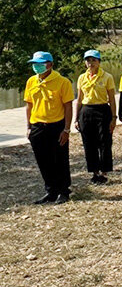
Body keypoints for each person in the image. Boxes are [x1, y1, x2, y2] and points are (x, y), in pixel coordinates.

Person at [24, 52, 75, 204]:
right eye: (35, 63)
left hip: (56, 126)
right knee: (43, 160)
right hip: (37, 126)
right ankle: (51, 191)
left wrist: (66, 129)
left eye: (40, 63)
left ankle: (63, 191)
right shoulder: (31, 81)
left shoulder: (62, 82)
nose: (37, 66)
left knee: (60, 159)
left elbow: (68, 106)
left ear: (50, 64)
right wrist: (28, 127)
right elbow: (29, 105)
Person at [75, 49, 116, 184]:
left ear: (99, 62)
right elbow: (79, 99)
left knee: (104, 141)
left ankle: (104, 171)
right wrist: (76, 118)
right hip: (86, 111)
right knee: (89, 142)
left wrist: (114, 117)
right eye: (88, 60)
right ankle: (94, 171)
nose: (91, 63)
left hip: (103, 110)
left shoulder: (107, 77)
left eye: (94, 60)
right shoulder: (82, 78)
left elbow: (112, 99)